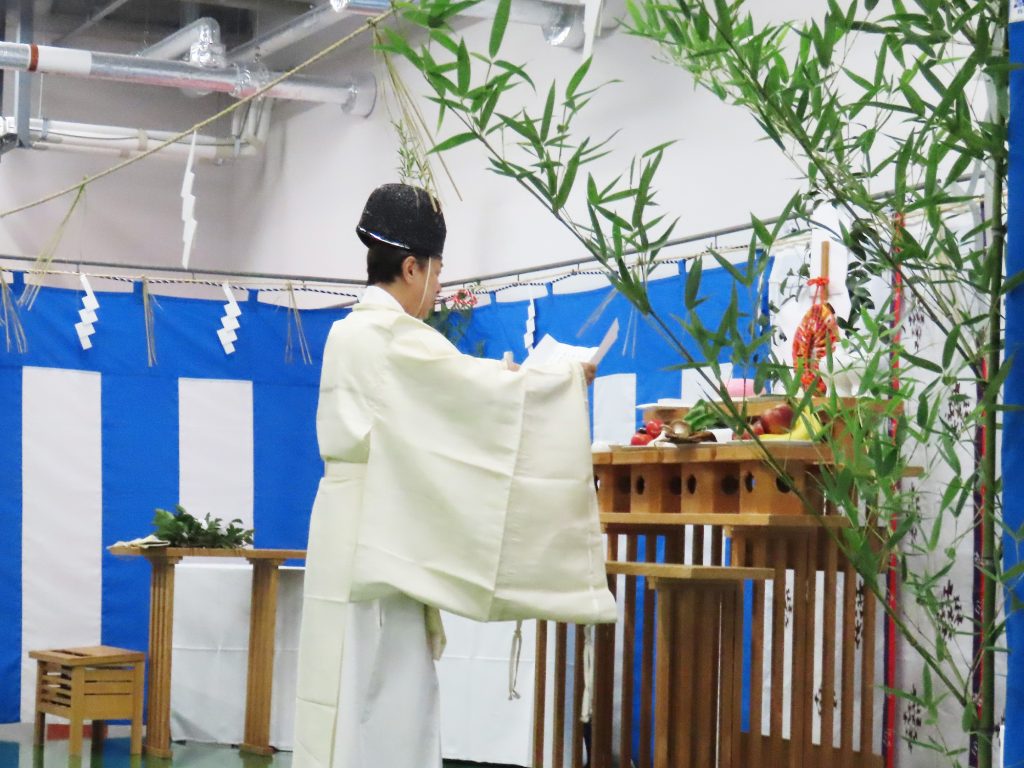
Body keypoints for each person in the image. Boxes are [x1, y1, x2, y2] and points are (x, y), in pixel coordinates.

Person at [292, 183, 615, 768]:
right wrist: (562, 381)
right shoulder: (392, 338)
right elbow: (469, 394)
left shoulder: (348, 332)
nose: (438, 286)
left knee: (345, 686)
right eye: (437, 271)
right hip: (379, 532)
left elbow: (453, 393)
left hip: (345, 523)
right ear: (411, 268)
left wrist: (511, 380)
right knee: (384, 696)